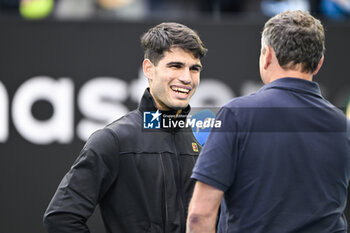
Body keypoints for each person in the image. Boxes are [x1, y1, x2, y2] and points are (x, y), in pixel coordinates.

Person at [186, 10, 350, 233]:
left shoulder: (236, 115)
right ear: (319, 63)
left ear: (268, 55)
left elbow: (199, 215)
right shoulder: (342, 126)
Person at [43, 22, 207, 233]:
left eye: (194, 69)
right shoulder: (113, 140)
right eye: (175, 66)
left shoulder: (202, 139)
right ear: (149, 68)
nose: (186, 78)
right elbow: (61, 218)